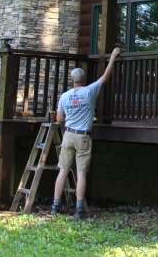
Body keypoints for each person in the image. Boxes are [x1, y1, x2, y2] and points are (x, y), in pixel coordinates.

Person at [50, 46, 122, 219]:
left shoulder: (65, 96)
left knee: (63, 170)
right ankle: (79, 209)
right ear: (83, 79)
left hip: (68, 135)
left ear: (72, 80)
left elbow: (59, 119)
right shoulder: (90, 91)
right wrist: (112, 57)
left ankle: (55, 207)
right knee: (81, 173)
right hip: (83, 136)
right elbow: (105, 77)